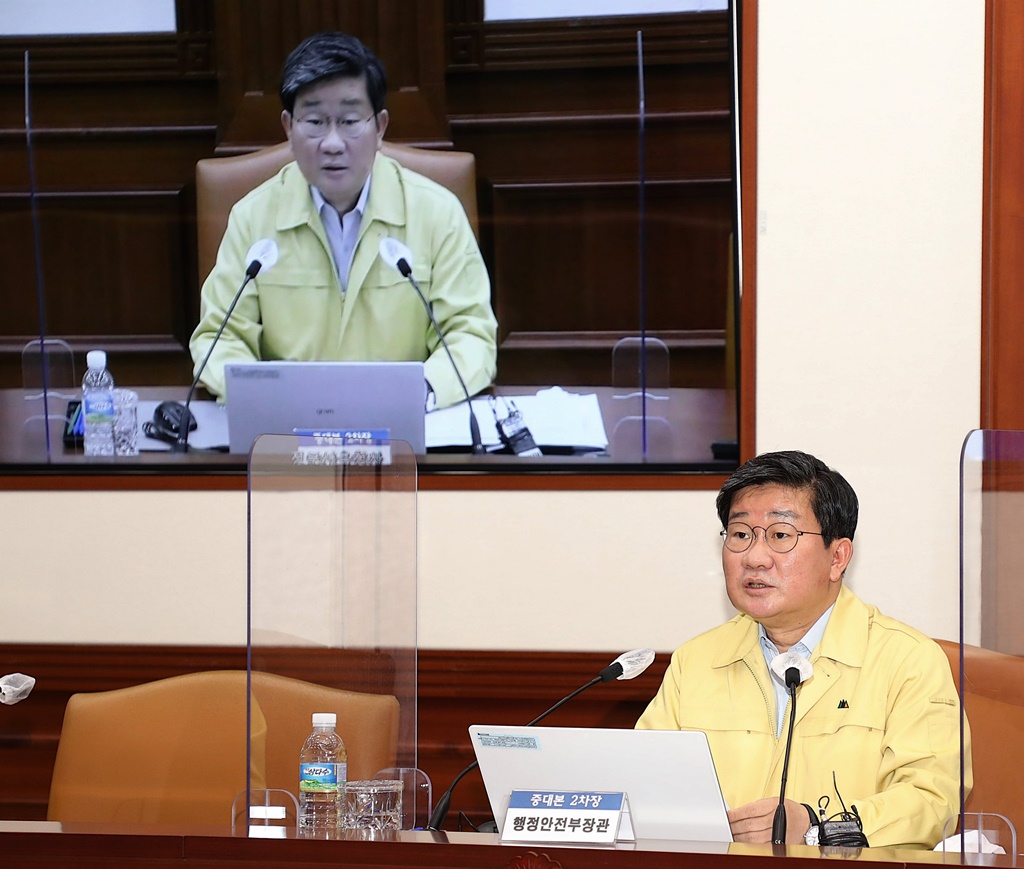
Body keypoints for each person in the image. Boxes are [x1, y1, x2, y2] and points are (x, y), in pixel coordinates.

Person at [637, 450, 970, 850]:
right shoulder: (696, 660)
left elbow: (932, 801)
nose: (755, 558)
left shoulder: (907, 660)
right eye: (741, 535)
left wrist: (818, 827)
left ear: (838, 556)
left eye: (780, 536)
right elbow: (644, 782)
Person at [190, 32, 497, 409]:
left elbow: (470, 335)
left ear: (380, 127)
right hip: (288, 428)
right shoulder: (253, 217)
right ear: (288, 127)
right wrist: (268, 398)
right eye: (315, 121)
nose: (332, 143)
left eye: (350, 120)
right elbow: (219, 339)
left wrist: (421, 394)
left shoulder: (436, 212)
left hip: (403, 429)